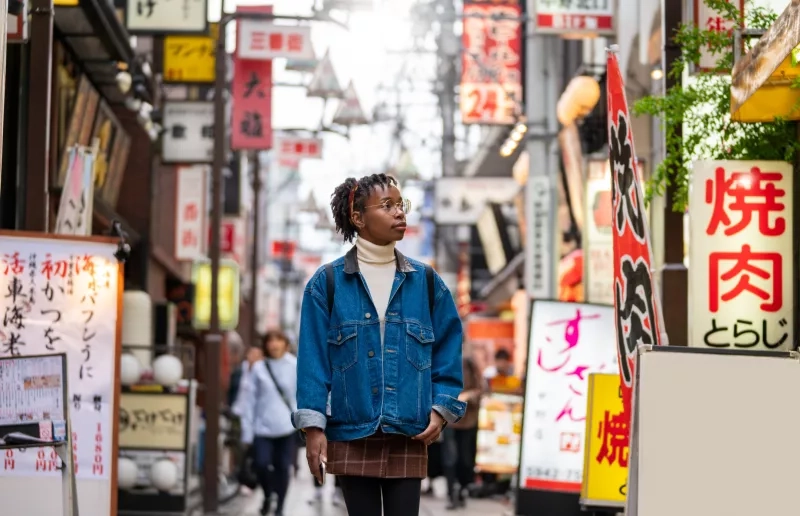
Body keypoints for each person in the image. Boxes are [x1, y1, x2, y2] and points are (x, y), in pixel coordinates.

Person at [293, 174, 466, 516]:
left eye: (401, 205)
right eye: (387, 206)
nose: (399, 213)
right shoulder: (326, 284)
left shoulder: (427, 283)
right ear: (358, 218)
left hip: (410, 430)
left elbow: (448, 347)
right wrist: (314, 428)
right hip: (351, 429)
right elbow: (312, 361)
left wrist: (441, 407)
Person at [238, 330, 297, 516]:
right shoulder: (258, 368)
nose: (274, 344)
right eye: (270, 341)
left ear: (285, 344)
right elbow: (249, 401)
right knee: (261, 464)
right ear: (265, 345)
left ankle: (280, 505)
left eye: (278, 340)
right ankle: (267, 494)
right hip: (262, 427)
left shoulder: (294, 365)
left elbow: (301, 394)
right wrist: (246, 431)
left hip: (287, 426)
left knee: (283, 467)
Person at [444, 355, 484, 509]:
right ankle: (452, 494)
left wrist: (467, 396)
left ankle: (462, 489)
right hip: (448, 419)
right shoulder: (445, 357)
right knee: (449, 459)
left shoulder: (469, 360)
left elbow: (481, 389)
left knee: (464, 459)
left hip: (467, 420)